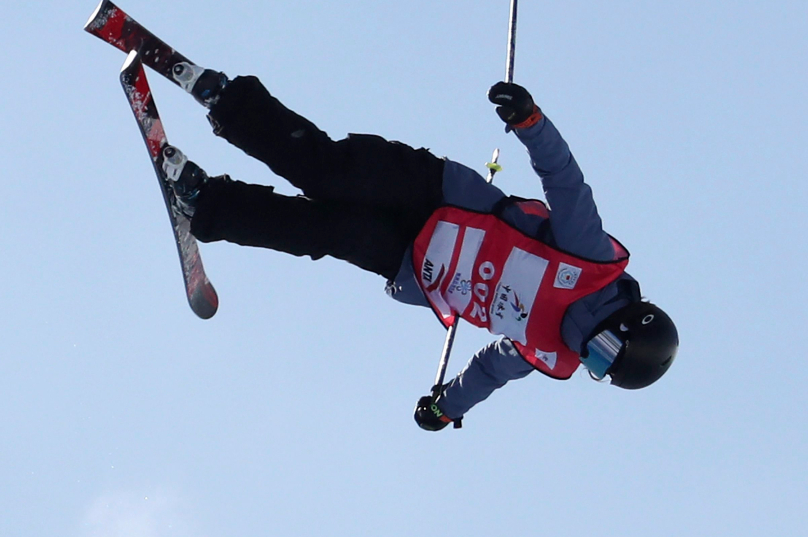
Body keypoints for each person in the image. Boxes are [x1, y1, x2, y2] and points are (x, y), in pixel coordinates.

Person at [160, 63, 679, 431]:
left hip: (416, 263)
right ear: (626, 321)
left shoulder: (551, 354)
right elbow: (565, 182)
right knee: (325, 171)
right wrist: (530, 122)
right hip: (437, 194)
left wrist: (449, 408)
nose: (587, 352)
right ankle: (227, 101)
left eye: (596, 366)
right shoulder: (590, 263)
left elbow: (492, 370)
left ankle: (207, 202)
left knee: (321, 232)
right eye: (604, 348)